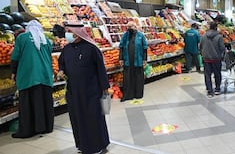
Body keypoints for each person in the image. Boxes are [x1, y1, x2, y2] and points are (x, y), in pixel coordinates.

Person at [57, 23, 110, 153]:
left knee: (93, 118)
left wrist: (105, 88)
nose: (67, 34)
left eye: (69, 31)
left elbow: (101, 69)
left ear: (77, 33)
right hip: (73, 91)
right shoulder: (67, 49)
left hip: (91, 91)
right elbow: (61, 63)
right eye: (66, 31)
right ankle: (82, 145)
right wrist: (61, 71)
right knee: (77, 119)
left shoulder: (92, 49)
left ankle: (98, 145)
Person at [10, 20, 54, 138]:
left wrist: (13, 72)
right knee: (44, 102)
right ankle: (46, 127)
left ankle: (28, 131)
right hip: (45, 75)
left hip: (28, 75)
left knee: (27, 103)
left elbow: (15, 56)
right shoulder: (45, 39)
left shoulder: (22, 38)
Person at [119, 21, 148, 101]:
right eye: (128, 27)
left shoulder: (141, 36)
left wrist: (145, 59)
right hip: (127, 60)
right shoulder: (125, 36)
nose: (129, 28)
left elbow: (145, 48)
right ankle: (128, 95)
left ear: (135, 27)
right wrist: (120, 58)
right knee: (128, 78)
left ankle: (138, 94)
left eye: (131, 26)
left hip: (138, 60)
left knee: (138, 78)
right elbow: (121, 47)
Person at [199, 22, 225, 98]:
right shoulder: (219, 37)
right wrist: (221, 55)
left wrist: (203, 54)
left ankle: (210, 90)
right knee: (217, 74)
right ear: (216, 27)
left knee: (207, 75)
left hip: (206, 58)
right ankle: (217, 89)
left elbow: (200, 46)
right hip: (216, 59)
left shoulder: (204, 36)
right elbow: (222, 48)